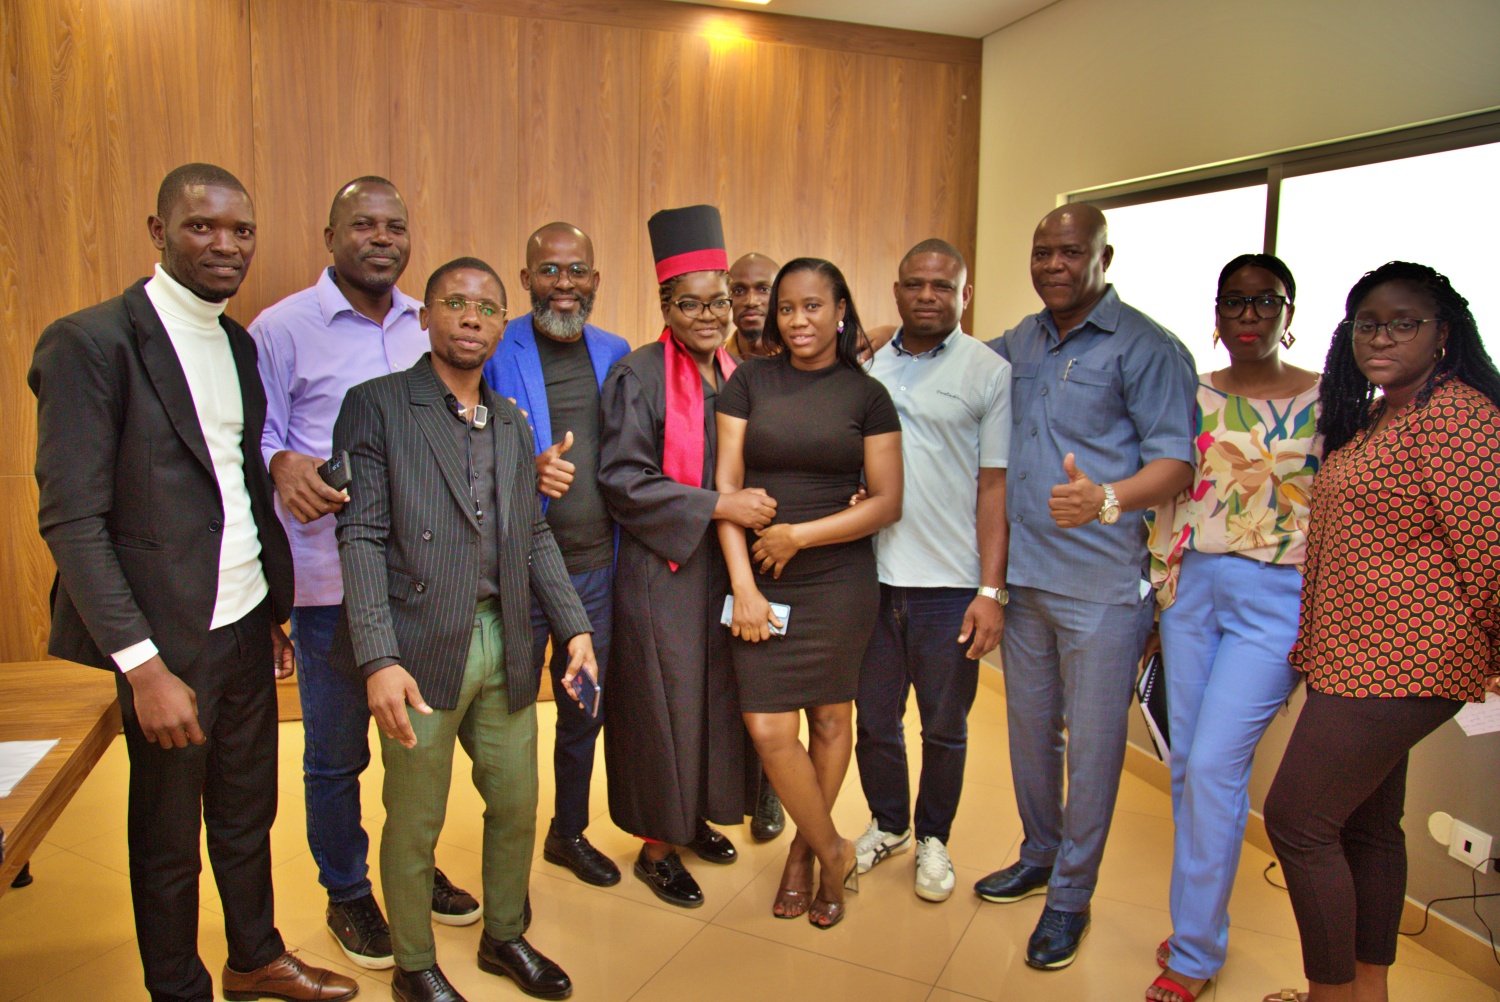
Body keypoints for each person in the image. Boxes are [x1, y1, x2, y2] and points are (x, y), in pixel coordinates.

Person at [29, 163, 357, 1002]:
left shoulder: (237, 343)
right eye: (201, 226)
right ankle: (178, 987)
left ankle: (255, 958)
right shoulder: (91, 343)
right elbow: (71, 522)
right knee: (167, 836)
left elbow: (238, 488)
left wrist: (272, 613)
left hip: (245, 627)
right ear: (158, 231)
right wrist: (142, 667)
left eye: (241, 230)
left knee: (248, 812)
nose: (225, 244)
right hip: (164, 642)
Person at [331, 257, 597, 1002]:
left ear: (502, 324)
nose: (471, 317)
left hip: (504, 638)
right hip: (417, 647)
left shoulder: (510, 420)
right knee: (416, 819)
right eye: (454, 302)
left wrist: (574, 627)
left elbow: (532, 534)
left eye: (486, 306)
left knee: (515, 801)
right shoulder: (377, 405)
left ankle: (503, 935)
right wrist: (378, 658)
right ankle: (413, 964)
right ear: (425, 317)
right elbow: (360, 535)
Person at [251, 176, 478, 971]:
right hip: (330, 586)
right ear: (330, 236)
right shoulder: (281, 328)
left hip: (424, 582)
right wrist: (281, 462)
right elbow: (250, 436)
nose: (381, 238)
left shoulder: (431, 323)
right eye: (362, 225)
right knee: (336, 754)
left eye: (394, 226)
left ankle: (411, 866)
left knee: (420, 747)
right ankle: (347, 890)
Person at [1260, 262, 1500, 1002]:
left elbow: (1492, 550)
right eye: (1368, 324)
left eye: (1403, 324)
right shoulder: (1379, 414)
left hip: (1407, 660)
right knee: (1367, 827)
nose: (1382, 338)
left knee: (1297, 822)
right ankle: (1369, 992)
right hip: (1353, 654)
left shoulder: (1456, 416)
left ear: (1443, 334)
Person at [977, 204, 1196, 970]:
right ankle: (1039, 854)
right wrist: (879, 336)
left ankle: (1071, 897)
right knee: (1030, 733)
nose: (1053, 265)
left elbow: (1177, 464)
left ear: (1105, 256)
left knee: (1095, 750)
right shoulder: (1024, 339)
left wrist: (1106, 498)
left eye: (1071, 252)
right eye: (1042, 251)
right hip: (1024, 577)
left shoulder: (1149, 347)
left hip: (1100, 585)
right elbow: (959, 362)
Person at [1142, 254, 1321, 1002]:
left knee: (1216, 764)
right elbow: (1167, 489)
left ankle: (1193, 953)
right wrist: (1156, 593)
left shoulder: (1330, 399)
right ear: (1217, 315)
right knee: (1189, 763)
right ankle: (1199, 926)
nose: (1249, 316)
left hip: (1278, 597)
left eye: (1265, 302)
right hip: (1191, 590)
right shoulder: (1189, 393)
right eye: (1235, 303)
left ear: (1289, 312)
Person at [716, 257, 904, 929]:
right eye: (787, 308)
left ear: (841, 311)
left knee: (829, 719)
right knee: (768, 728)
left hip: (837, 579)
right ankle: (834, 849)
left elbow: (887, 503)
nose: (798, 320)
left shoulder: (866, 396)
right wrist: (742, 585)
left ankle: (801, 853)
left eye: (813, 306)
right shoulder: (748, 381)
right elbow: (726, 491)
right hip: (759, 575)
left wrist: (799, 536)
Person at [598, 205, 768, 909]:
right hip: (661, 572)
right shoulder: (637, 374)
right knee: (662, 705)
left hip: (727, 569)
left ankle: (693, 818)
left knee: (714, 699)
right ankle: (656, 848)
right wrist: (719, 506)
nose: (708, 316)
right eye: (691, 303)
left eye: (719, 302)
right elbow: (623, 480)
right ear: (665, 305)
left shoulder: (741, 375)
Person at [855, 238, 1010, 903]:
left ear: (965, 295)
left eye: (943, 286)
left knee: (944, 727)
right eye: (914, 284)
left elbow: (994, 487)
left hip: (949, 586)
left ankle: (934, 838)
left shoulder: (990, 372)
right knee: (873, 720)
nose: (927, 295)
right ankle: (889, 823)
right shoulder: (866, 365)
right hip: (870, 578)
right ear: (896, 291)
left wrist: (991, 590)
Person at [481, 222, 630, 888]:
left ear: (594, 279)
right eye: (548, 270)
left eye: (575, 271)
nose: (563, 284)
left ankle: (567, 832)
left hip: (595, 569)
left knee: (582, 710)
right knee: (510, 717)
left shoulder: (615, 351)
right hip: (518, 570)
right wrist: (526, 469)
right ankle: (507, 849)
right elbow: (460, 451)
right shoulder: (495, 346)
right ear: (525, 279)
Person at [725, 252, 780, 361]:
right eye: (739, 291)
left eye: (764, 289)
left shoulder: (803, 361)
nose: (751, 302)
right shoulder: (712, 362)